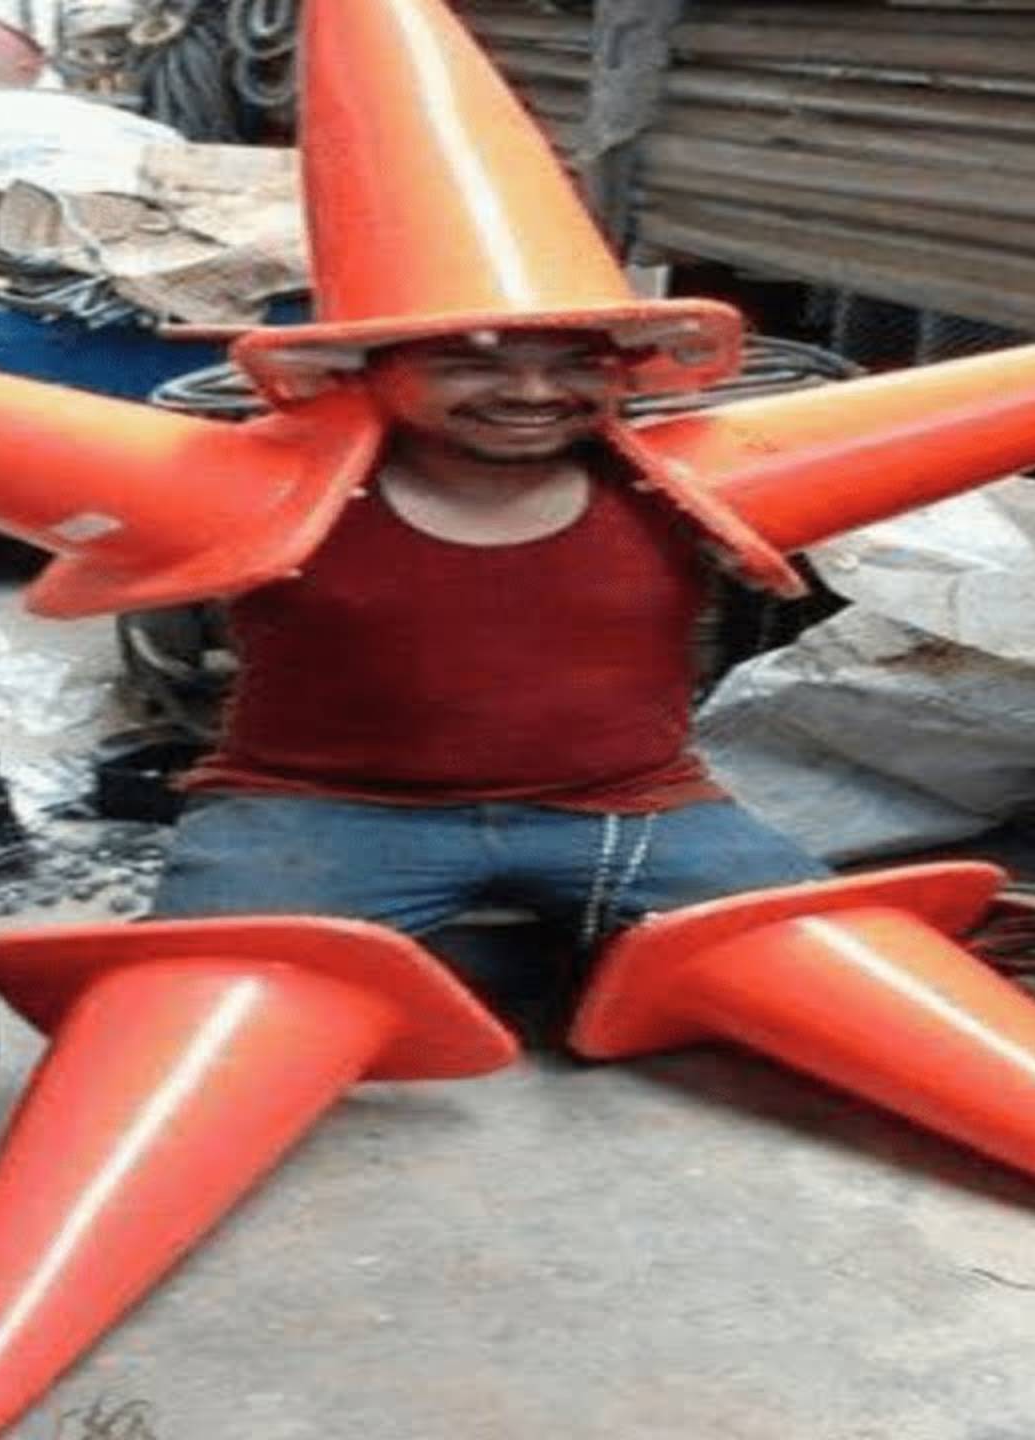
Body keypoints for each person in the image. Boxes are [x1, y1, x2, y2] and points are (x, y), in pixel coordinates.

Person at [147, 325, 826, 1008]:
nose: (533, 392)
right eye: (468, 365)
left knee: (829, 971)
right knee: (192, 1009)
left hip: (631, 805)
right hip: (313, 808)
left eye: (577, 364)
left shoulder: (684, 491)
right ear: (369, 372)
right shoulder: (270, 489)